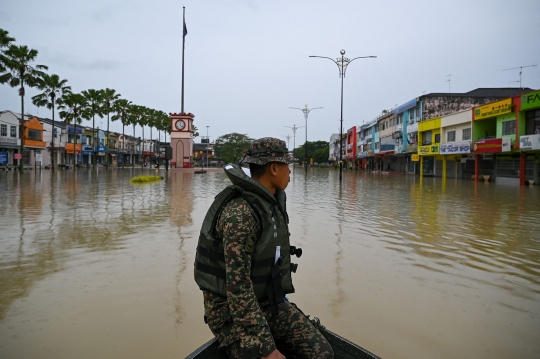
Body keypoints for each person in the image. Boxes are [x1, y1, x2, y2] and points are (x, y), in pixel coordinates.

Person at [194, 138, 333, 359]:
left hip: (267, 302)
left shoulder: (269, 203)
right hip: (230, 312)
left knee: (322, 353)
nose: (290, 172)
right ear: (274, 168)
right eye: (287, 165)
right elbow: (237, 286)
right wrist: (266, 348)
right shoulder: (241, 213)